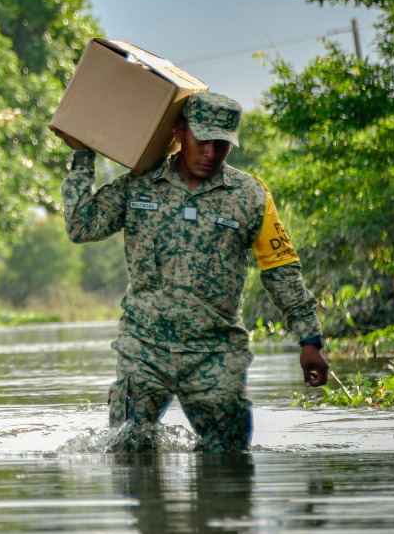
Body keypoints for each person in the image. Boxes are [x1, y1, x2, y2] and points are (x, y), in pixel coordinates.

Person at [52, 90, 328, 453]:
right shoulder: (139, 184)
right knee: (128, 452)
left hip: (216, 353)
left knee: (227, 459)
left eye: (222, 144)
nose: (212, 153)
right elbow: (81, 227)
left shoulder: (250, 196)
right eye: (204, 141)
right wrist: (82, 157)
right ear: (180, 132)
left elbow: (281, 270)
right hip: (145, 347)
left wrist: (310, 340)